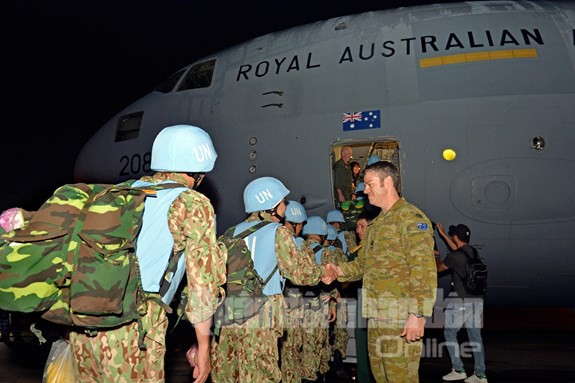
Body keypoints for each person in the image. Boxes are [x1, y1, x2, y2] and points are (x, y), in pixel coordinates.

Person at [68, 124, 227, 383]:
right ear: (199, 171)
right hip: (137, 327)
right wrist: (204, 349)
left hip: (85, 324)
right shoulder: (191, 202)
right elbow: (203, 287)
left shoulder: (120, 193)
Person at [324, 160, 437, 383]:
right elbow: (363, 264)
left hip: (400, 319)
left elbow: (423, 269)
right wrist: (338, 271)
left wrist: (417, 314)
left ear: (387, 182)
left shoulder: (410, 219)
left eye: (369, 184)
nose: (365, 190)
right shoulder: (376, 225)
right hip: (376, 318)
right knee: (381, 378)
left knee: (400, 378)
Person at [210, 177, 332, 383]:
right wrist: (324, 272)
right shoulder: (279, 233)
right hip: (261, 315)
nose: (285, 207)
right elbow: (300, 273)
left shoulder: (230, 233)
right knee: (260, 374)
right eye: (283, 202)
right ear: (271, 205)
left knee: (228, 374)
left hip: (229, 314)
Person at [435, 223, 488, 383]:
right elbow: (457, 250)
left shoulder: (454, 257)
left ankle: (458, 369)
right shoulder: (473, 252)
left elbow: (438, 268)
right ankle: (480, 374)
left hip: (460, 301)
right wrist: (443, 235)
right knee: (475, 337)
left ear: (456, 237)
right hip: (477, 300)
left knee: (450, 333)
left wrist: (436, 256)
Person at [300, 216, 338, 383]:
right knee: (315, 348)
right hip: (317, 305)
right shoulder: (326, 252)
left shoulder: (296, 248)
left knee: (299, 349)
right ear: (322, 235)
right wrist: (334, 304)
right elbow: (331, 280)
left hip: (295, 305)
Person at [280, 200, 311, 383]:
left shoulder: (272, 237)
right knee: (293, 350)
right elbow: (306, 273)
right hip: (294, 305)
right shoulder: (299, 244)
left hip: (275, 306)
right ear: (296, 223)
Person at [346, 210, 377, 383]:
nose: (358, 230)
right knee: (362, 345)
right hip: (362, 299)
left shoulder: (379, 249)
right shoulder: (356, 251)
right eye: (357, 226)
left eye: (362, 226)